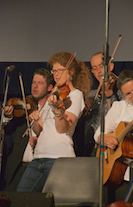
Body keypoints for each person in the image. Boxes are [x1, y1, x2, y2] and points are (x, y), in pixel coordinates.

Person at [16, 51, 92, 192]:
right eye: (54, 71)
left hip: (58, 157)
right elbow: (39, 130)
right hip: (38, 156)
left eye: (60, 70)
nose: (56, 74)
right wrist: (34, 119)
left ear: (71, 71)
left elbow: (61, 129)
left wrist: (57, 110)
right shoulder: (53, 95)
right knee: (21, 197)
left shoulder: (75, 95)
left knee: (45, 201)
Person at [1, 68, 54, 191]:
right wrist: (8, 116)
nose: (35, 86)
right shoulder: (22, 110)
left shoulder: (52, 110)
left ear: (50, 87)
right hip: (20, 167)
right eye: (33, 82)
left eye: (40, 83)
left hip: (44, 167)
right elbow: (7, 131)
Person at [94, 69, 133, 203]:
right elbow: (98, 134)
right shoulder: (119, 107)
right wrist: (107, 140)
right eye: (128, 94)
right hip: (124, 172)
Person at [83, 52, 123, 156]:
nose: (99, 71)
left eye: (101, 66)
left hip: (118, 144)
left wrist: (109, 94)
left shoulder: (122, 92)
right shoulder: (91, 95)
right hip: (93, 148)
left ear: (111, 66)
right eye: (95, 68)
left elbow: (116, 118)